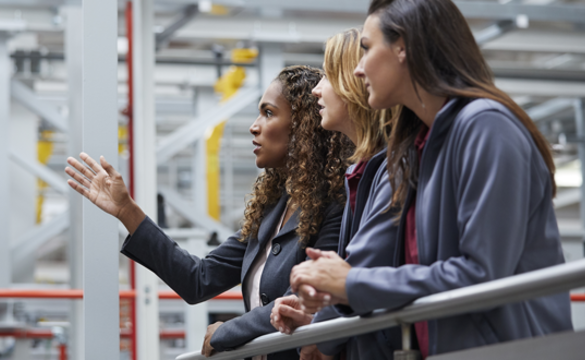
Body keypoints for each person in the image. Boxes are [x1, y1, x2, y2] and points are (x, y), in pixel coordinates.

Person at [289, 0, 573, 358]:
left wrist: (350, 283)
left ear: (403, 47)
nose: (359, 70)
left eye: (366, 49)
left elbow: (482, 274)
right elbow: (416, 271)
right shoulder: (417, 147)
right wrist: (336, 295)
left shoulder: (486, 126)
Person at [65, 65, 351, 360]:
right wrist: (127, 211)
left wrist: (227, 332)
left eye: (268, 113)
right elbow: (198, 279)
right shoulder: (270, 212)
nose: (254, 126)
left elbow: (301, 302)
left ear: (303, 126)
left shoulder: (335, 206)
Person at [269, 29, 401, 360]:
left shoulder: (390, 171)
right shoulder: (358, 175)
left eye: (327, 76)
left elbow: (360, 273)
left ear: (354, 81)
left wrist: (322, 333)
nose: (317, 89)